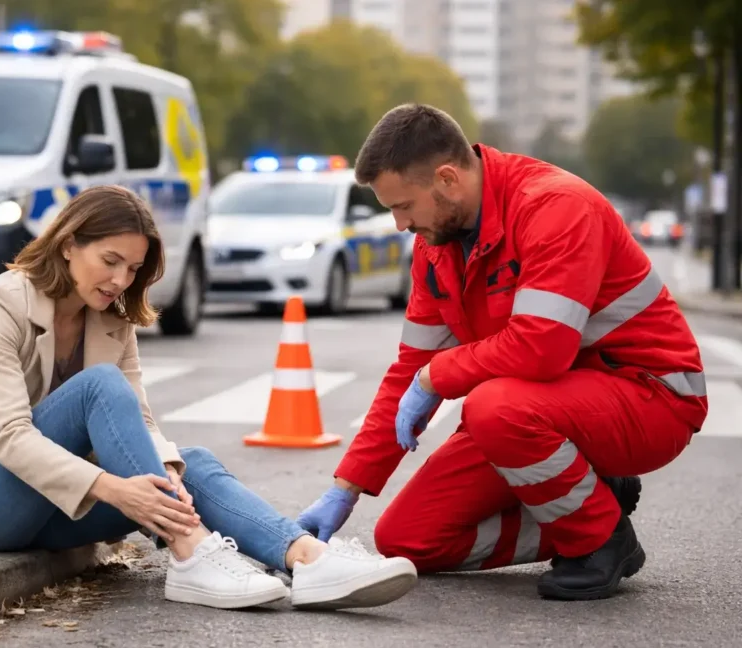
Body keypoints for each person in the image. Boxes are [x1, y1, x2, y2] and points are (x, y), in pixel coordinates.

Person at [0, 184, 418, 611]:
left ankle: (307, 559)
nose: (122, 280)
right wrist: (115, 489)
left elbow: (140, 420)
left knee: (189, 462)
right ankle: (191, 551)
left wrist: (163, 477)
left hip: (54, 513)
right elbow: (8, 438)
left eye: (133, 268)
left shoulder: (112, 320)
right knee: (99, 389)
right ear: (69, 243)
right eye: (111, 261)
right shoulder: (0, 305)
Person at [296, 103, 708, 601]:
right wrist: (346, 488)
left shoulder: (556, 207)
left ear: (447, 179)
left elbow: (541, 349)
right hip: (542, 406)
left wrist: (435, 378)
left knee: (492, 407)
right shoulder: (437, 244)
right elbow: (409, 368)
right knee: (408, 539)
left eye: (403, 206)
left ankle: (600, 539)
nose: (400, 225)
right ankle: (592, 504)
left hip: (650, 395)